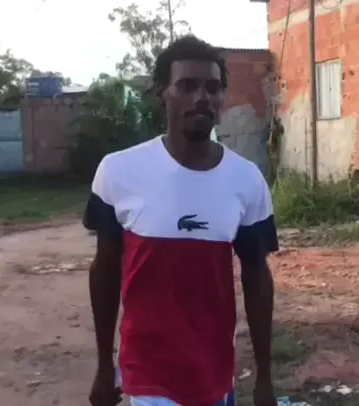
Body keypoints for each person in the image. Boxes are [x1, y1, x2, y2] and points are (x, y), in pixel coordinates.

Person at [83, 34, 279, 406]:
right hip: (148, 374)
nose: (202, 97)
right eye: (187, 86)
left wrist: (265, 378)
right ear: (162, 93)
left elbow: (257, 276)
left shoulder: (246, 180)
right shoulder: (118, 172)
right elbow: (104, 271)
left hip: (215, 374)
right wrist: (104, 366)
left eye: (212, 88)